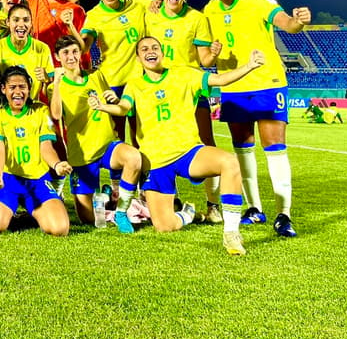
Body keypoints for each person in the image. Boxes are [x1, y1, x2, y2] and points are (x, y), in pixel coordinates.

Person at [89, 36, 266, 255]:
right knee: (164, 226)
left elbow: (220, 80)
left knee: (229, 162)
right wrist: (104, 107)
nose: (150, 51)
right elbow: (124, 108)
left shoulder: (184, 74)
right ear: (138, 57)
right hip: (155, 163)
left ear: (162, 53)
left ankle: (231, 233)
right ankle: (189, 213)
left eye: (155, 47)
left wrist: (249, 66)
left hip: (188, 153)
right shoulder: (134, 85)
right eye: (144, 49)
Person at [203, 0, 312, 237]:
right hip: (232, 86)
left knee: (274, 147)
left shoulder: (257, 0)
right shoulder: (209, 11)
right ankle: (254, 209)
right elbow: (206, 52)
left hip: (267, 82)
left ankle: (283, 215)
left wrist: (299, 21)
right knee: (243, 149)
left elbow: (287, 24)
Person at [145, 0, 224, 223]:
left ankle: (213, 205)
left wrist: (213, 53)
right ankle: (174, 199)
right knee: (159, 145)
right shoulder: (150, 15)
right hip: (158, 92)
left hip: (191, 90)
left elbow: (203, 58)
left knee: (206, 141)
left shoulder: (197, 19)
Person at [49, 35, 141, 232]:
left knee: (133, 158)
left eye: (74, 51)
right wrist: (56, 83)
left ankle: (121, 212)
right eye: (65, 53)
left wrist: (114, 99)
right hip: (82, 154)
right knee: (88, 219)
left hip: (108, 144)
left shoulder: (96, 76)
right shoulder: (55, 87)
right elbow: (56, 115)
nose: (71, 56)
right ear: (58, 57)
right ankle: (106, 196)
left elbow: (112, 102)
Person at [0, 66, 72, 236]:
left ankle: (29, 213)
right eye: (12, 87)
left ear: (29, 89)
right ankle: (10, 210)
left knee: (60, 229)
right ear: (3, 89)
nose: (18, 92)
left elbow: (46, 147)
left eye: (22, 87)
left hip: (36, 180)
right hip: (7, 179)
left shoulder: (41, 111)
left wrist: (57, 164)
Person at [79, 0, 151, 144]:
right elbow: (84, 46)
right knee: (117, 136)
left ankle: (144, 172)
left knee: (142, 134)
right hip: (112, 83)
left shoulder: (138, 2)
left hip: (139, 80)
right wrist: (74, 31)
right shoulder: (94, 15)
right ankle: (118, 173)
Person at [0, 3, 54, 101]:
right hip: (6, 110)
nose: (21, 25)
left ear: (31, 23)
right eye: (16, 20)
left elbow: (51, 89)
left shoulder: (42, 48)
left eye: (26, 20)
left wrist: (47, 80)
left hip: (32, 110)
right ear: (7, 22)